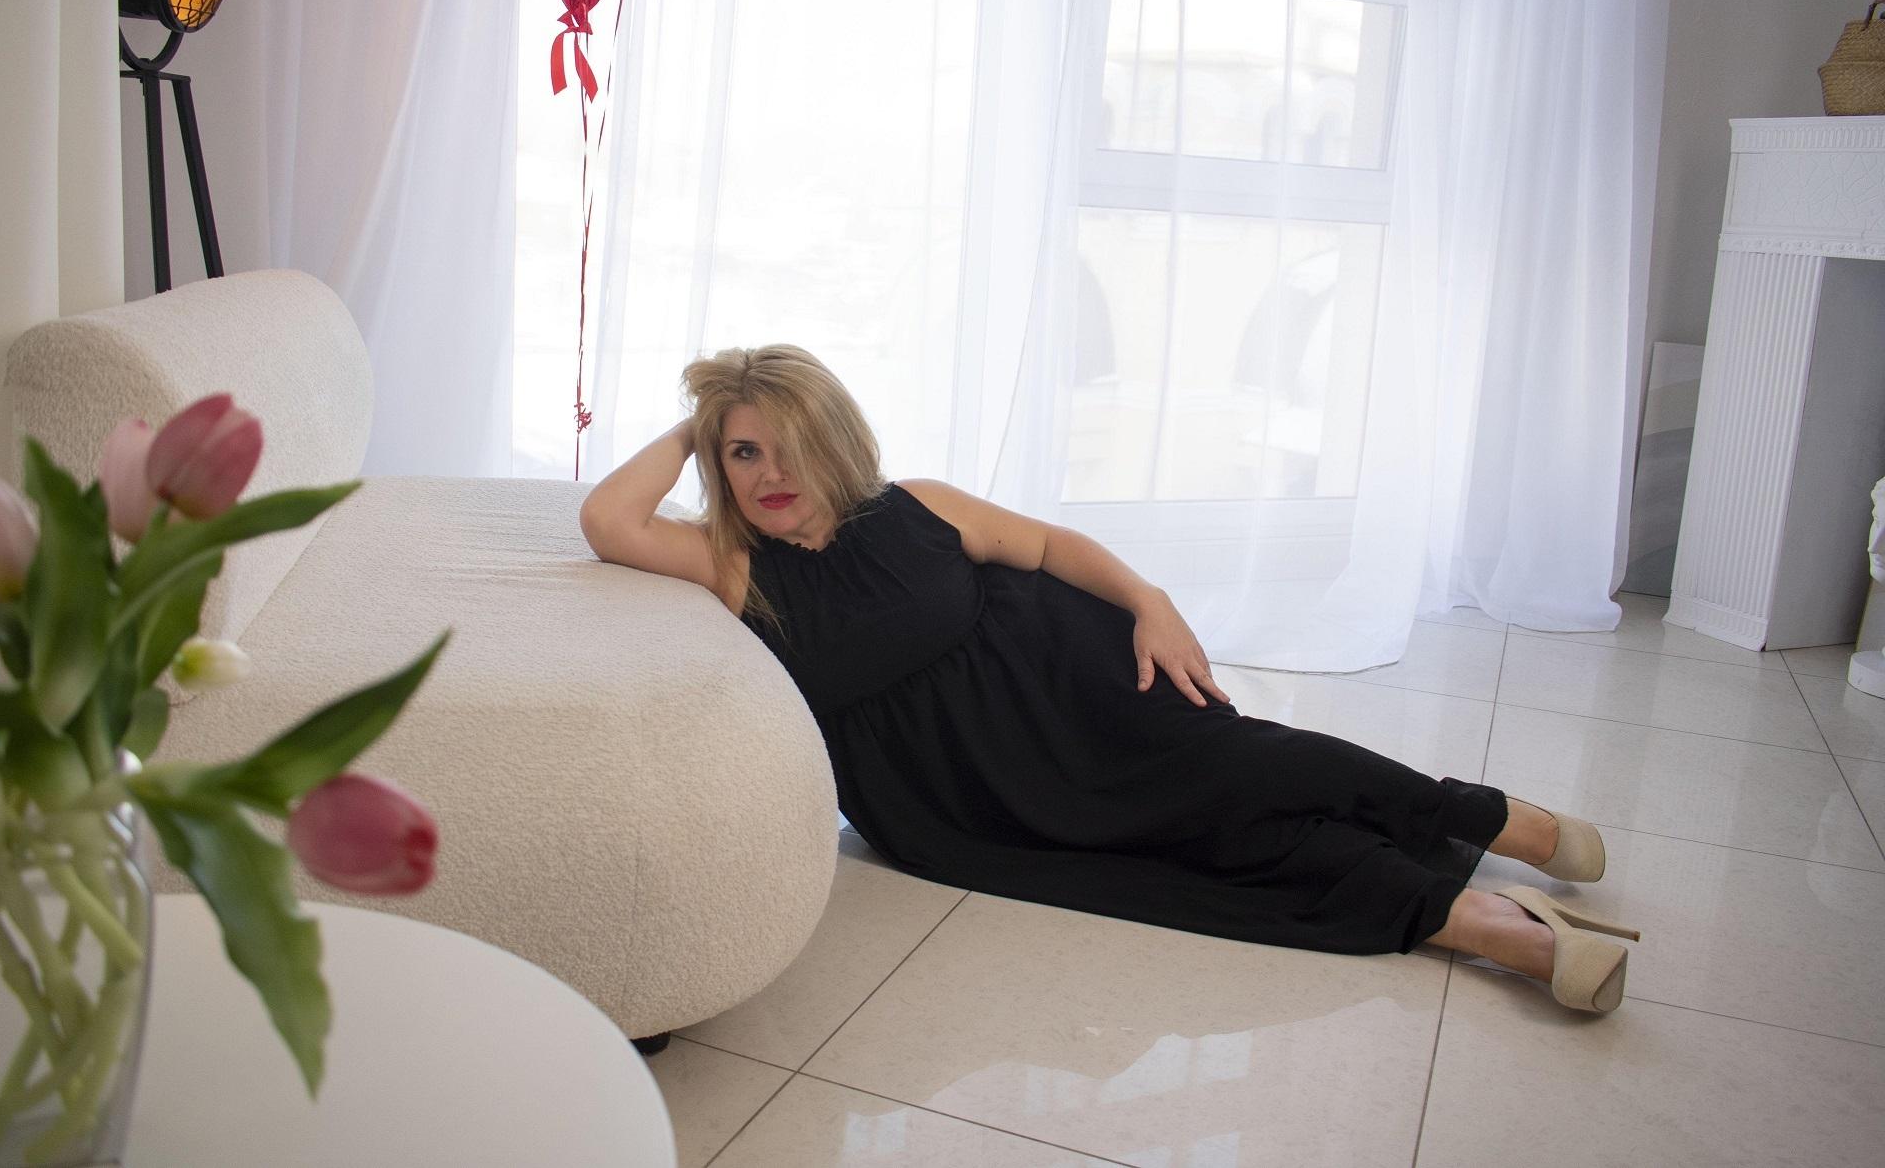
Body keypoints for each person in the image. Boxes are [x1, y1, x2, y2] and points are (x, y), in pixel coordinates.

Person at [578, 345, 1642, 1013]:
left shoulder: (917, 506)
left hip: (1077, 692)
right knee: (1197, 858)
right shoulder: (735, 569)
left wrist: (1150, 600)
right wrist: (705, 409)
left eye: (787, 446)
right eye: (742, 454)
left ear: (836, 443)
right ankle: (1481, 926)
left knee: (1252, 770)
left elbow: (1046, 548)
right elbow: (607, 518)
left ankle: (1493, 820)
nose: (768, 474)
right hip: (970, 797)